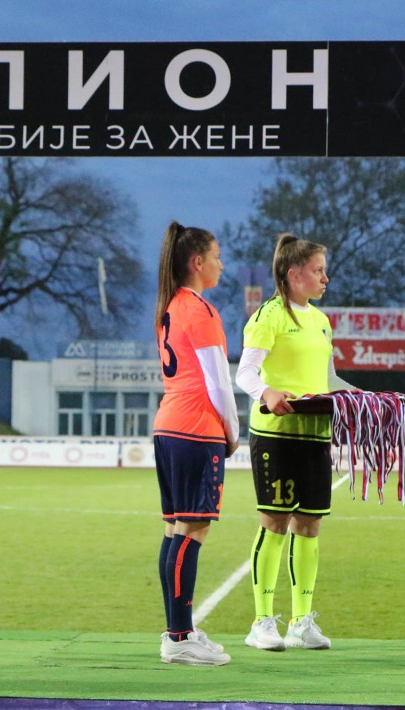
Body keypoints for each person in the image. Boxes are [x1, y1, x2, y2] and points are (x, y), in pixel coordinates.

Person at [235, 232, 357, 652]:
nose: (325, 278)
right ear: (293, 273)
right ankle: (261, 622)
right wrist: (267, 393)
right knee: (275, 521)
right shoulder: (268, 315)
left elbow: (328, 379)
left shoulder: (320, 320)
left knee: (310, 524)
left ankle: (301, 623)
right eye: (318, 270)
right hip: (276, 436)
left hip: (315, 435)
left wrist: (363, 399)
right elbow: (245, 373)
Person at [153, 221, 240, 667]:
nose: (222, 265)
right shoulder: (200, 310)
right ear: (197, 262)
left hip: (168, 426)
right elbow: (218, 380)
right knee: (193, 530)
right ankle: (180, 636)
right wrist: (233, 432)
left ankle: (178, 631)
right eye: (217, 257)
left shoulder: (169, 306)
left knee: (175, 530)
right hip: (195, 429)